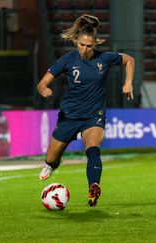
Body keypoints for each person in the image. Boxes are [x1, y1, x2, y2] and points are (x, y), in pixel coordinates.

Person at [37, 14, 135, 207]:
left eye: (89, 46)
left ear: (95, 43)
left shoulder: (104, 59)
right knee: (51, 158)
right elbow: (42, 83)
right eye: (81, 44)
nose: (84, 49)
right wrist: (45, 90)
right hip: (69, 116)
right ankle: (52, 165)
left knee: (92, 147)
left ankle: (94, 187)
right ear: (76, 41)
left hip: (94, 115)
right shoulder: (67, 60)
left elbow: (129, 60)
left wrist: (128, 82)